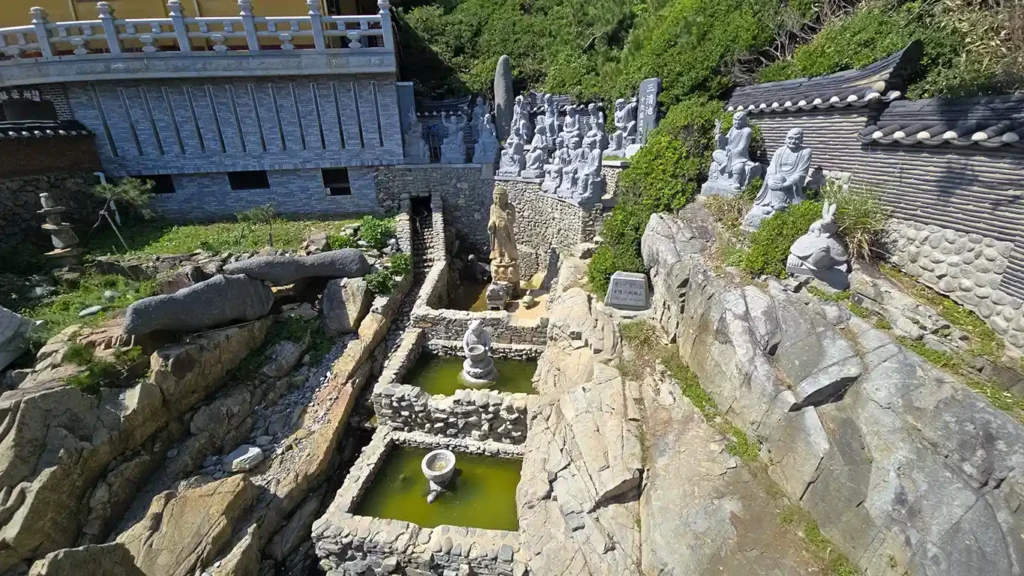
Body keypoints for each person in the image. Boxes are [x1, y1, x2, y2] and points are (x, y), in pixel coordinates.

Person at [488, 187, 518, 265]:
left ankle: (507, 256)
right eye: (496, 198)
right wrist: (491, 224)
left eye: (500, 198)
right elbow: (492, 218)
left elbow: (513, 220)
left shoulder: (510, 208)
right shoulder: (493, 208)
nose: (498, 200)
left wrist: (508, 217)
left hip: (507, 230)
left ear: (505, 198)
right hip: (497, 230)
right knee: (498, 244)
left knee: (507, 243)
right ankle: (498, 256)